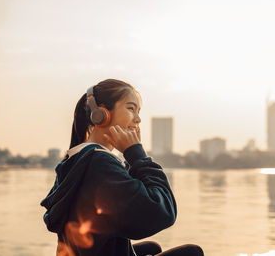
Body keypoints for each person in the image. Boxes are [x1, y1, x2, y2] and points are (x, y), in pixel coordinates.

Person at [40, 79, 204, 256]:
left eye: (138, 111)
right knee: (192, 253)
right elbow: (162, 212)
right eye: (131, 108)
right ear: (101, 114)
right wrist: (137, 155)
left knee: (152, 248)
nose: (138, 119)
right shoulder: (100, 163)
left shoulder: (76, 159)